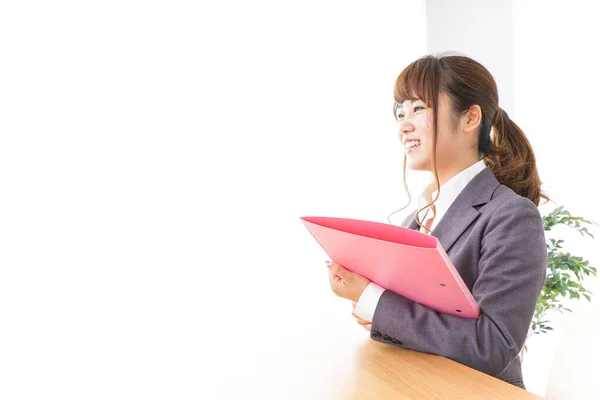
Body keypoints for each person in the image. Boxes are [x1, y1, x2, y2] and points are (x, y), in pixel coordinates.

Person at [326, 54, 548, 389]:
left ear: (471, 117)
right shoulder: (415, 218)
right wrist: (369, 303)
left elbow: (493, 345)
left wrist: (374, 301)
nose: (404, 124)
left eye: (418, 108)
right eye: (400, 112)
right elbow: (409, 321)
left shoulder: (510, 216)